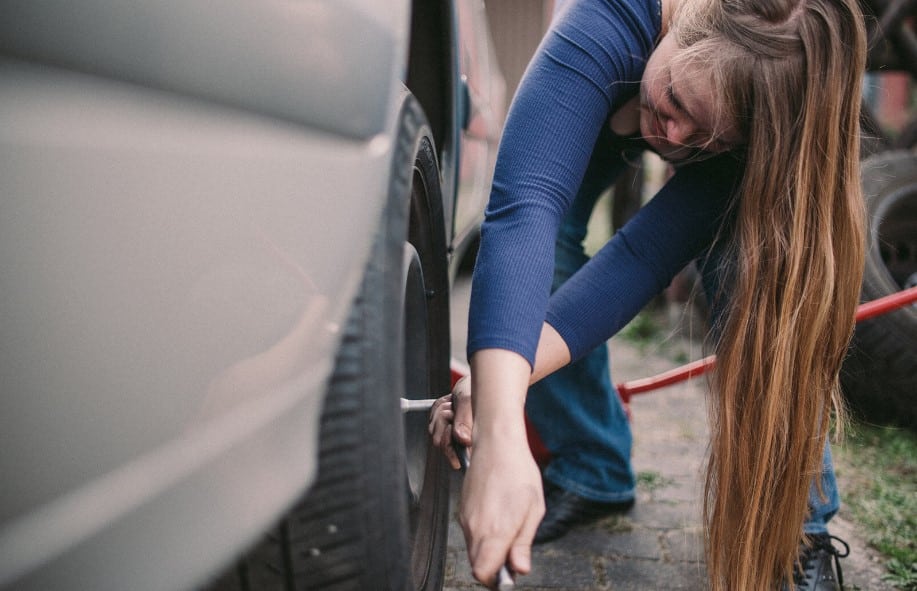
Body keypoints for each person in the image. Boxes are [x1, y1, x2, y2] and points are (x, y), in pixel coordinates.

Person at [429, 0, 867, 589]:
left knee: (759, 279)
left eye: (706, 139)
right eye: (679, 102)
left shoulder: (749, 130)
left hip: (729, 145)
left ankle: (800, 530)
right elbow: (524, 211)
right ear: (682, 28)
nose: (674, 135)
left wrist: (497, 385)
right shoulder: (608, 21)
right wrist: (501, 422)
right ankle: (592, 465)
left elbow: (639, 260)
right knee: (545, 251)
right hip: (575, 139)